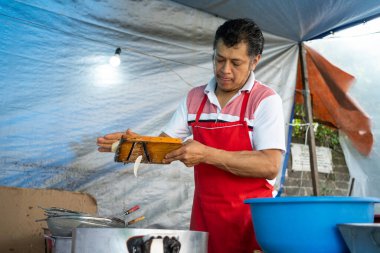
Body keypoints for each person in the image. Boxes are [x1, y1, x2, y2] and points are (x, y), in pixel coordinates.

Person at [97, 18, 285, 253]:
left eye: (236, 62)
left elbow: (270, 165)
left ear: (255, 61)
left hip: (250, 223)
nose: (225, 70)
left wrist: (206, 154)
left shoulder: (265, 101)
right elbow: (164, 148)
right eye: (219, 59)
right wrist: (129, 145)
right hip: (205, 219)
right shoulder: (195, 98)